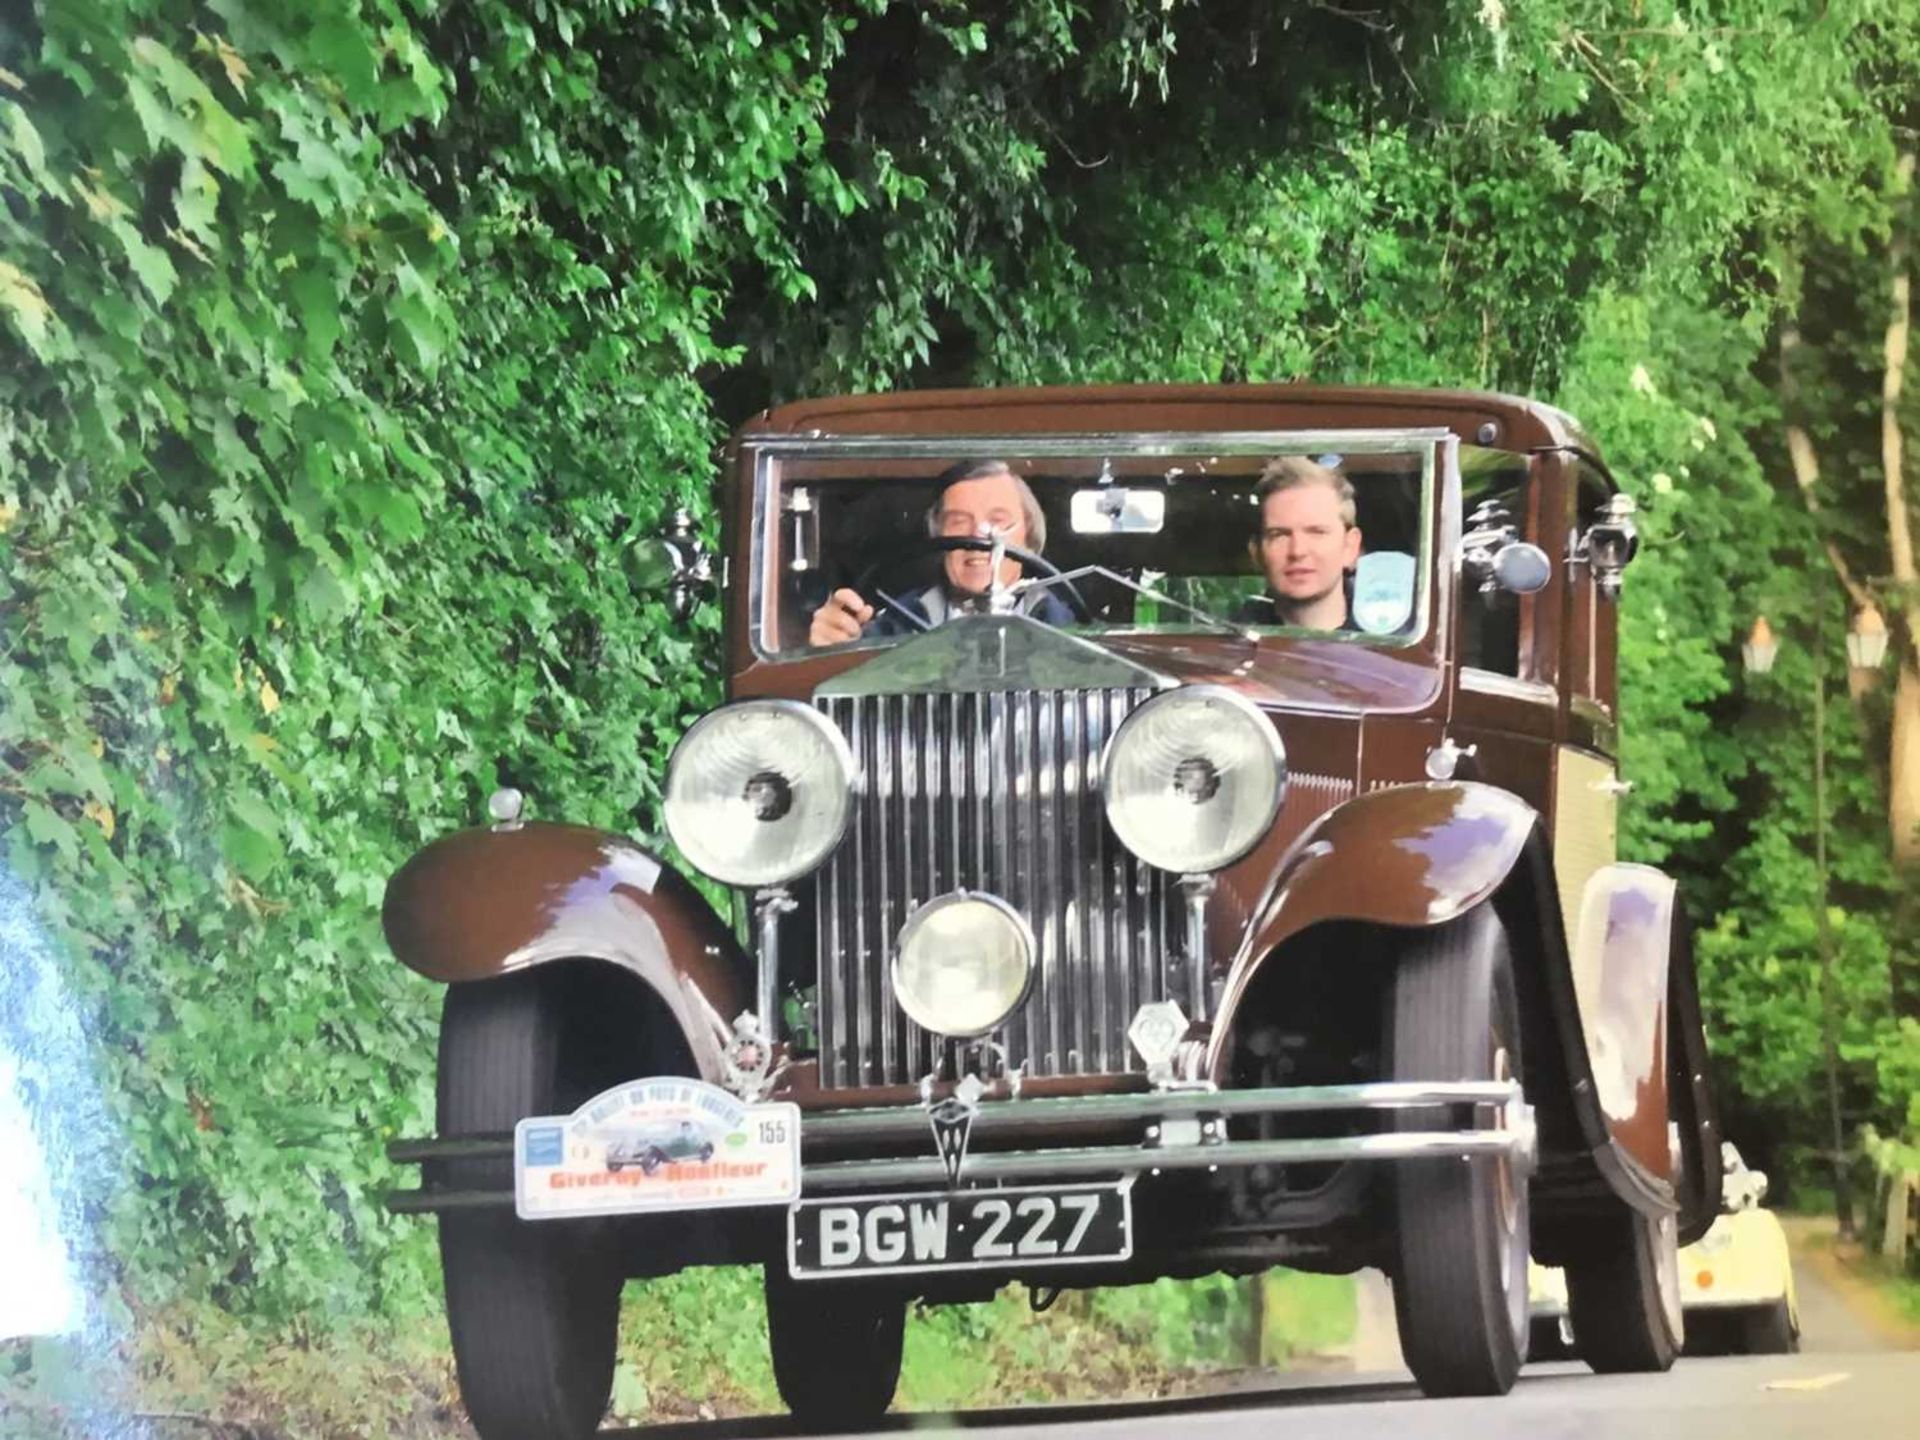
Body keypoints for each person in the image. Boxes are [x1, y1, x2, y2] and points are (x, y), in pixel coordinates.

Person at [808, 459, 1074, 645]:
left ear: (1029, 536)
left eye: (998, 520)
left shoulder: (1070, 628)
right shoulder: (898, 623)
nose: (979, 535)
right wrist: (834, 643)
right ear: (938, 537)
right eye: (959, 521)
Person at [1236, 455, 1363, 630]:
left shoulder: (1396, 642)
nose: (1297, 551)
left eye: (1317, 532)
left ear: (1350, 547)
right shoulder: (1221, 648)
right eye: (1279, 535)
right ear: (1256, 552)